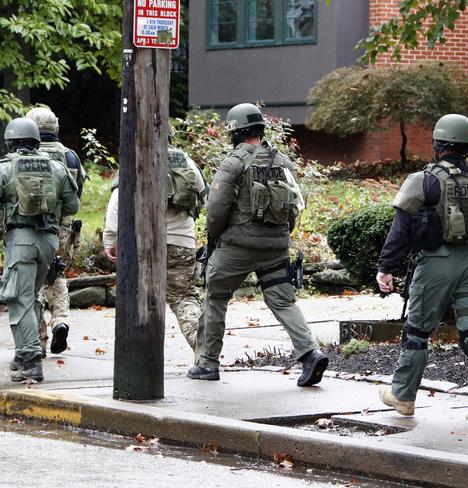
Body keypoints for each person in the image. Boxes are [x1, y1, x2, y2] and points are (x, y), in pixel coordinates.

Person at [188, 103, 328, 386]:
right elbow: (296, 206)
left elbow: (215, 210)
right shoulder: (283, 162)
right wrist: (281, 235)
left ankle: (207, 364)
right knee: (283, 300)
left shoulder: (233, 163)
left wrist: (215, 238)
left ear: (235, 132)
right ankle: (310, 353)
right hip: (275, 248)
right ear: (260, 130)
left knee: (216, 297)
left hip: (236, 248)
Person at [376, 114, 468, 420]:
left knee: (417, 331)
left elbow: (401, 229)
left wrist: (385, 267)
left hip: (436, 263)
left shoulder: (424, 180)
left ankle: (403, 396)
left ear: (439, 144)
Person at [103, 135, 205, 352]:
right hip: (182, 242)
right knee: (183, 297)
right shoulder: (186, 161)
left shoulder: (136, 158)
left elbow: (117, 202)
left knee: (140, 295)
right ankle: (203, 347)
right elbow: (201, 197)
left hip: (144, 243)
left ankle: (141, 354)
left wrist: (110, 238)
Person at [0, 117, 79, 382]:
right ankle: (23, 355)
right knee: (31, 297)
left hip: (21, 240)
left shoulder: (6, 168)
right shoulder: (56, 168)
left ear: (10, 141)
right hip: (48, 242)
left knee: (18, 299)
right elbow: (72, 206)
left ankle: (32, 360)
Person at [26, 106, 86, 357]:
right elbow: (77, 193)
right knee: (57, 273)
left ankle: (38, 340)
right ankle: (60, 320)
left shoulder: (28, 154)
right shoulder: (70, 156)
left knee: (32, 281)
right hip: (62, 226)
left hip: (33, 224)